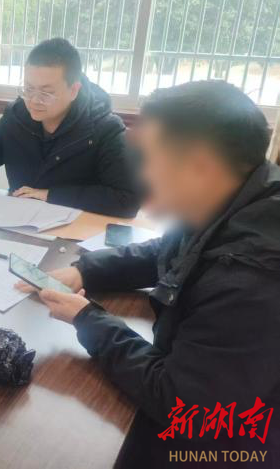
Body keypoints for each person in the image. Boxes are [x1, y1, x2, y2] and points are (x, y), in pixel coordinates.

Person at [27, 80, 280, 467]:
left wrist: (88, 320)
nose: (143, 174)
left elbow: (180, 404)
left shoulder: (251, 282)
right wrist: (85, 270)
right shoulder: (239, 199)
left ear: (199, 166)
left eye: (150, 159)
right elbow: (167, 250)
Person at [0, 38, 140, 217]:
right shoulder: (16, 117)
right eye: (29, 88)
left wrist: (50, 194)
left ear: (74, 90)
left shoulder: (105, 129)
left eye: (46, 92)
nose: (34, 100)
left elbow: (127, 199)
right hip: (18, 223)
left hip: (74, 234)